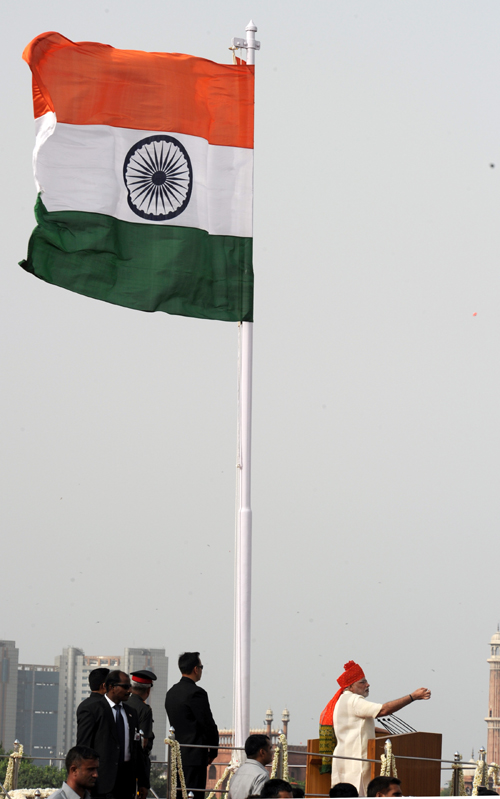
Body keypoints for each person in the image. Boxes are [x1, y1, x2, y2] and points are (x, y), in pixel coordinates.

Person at [320, 660, 431, 797]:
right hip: (356, 761)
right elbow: (383, 710)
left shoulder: (342, 701)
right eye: (362, 682)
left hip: (345, 759)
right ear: (350, 686)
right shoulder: (354, 700)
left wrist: (381, 731)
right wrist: (412, 697)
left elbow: (354, 726)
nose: (368, 685)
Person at [76, 669, 148, 799]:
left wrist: (143, 782)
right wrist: (84, 781)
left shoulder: (132, 713)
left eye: (130, 686)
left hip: (127, 783)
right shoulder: (94, 710)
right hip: (101, 783)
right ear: (111, 687)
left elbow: (137, 750)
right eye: (125, 687)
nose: (130, 691)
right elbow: (84, 748)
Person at [165, 652, 219, 798]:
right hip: (194, 757)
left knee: (177, 795)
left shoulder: (171, 693)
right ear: (196, 669)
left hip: (176, 755)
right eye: (201, 667)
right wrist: (213, 751)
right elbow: (208, 724)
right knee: (193, 794)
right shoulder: (197, 693)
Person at [125, 669, 157, 782]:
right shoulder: (144, 710)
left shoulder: (122, 704)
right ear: (148, 690)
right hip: (137, 764)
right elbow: (144, 741)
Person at [227, 734, 272, 799]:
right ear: (262, 752)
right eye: (270, 748)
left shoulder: (237, 773)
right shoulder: (261, 775)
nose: (272, 752)